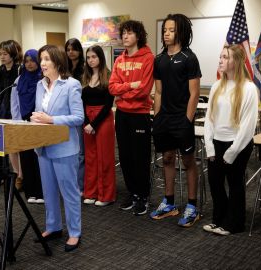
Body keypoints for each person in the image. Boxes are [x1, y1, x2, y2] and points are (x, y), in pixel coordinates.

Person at [149, 14, 202, 227]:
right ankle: (169, 203)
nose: (167, 34)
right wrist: (156, 117)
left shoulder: (189, 58)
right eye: (165, 30)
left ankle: (192, 206)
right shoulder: (160, 59)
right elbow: (159, 91)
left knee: (188, 161)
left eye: (171, 30)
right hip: (164, 119)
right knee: (168, 158)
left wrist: (187, 120)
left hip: (182, 119)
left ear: (181, 32)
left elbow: (194, 94)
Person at [31, 45, 84, 252]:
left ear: (57, 61)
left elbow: (78, 118)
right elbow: (39, 112)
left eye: (46, 59)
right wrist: (36, 119)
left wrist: (51, 119)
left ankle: (74, 232)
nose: (42, 63)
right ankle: (53, 227)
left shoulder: (71, 85)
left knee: (69, 192)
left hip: (64, 148)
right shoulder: (39, 85)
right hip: (43, 147)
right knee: (49, 191)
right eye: (41, 59)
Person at [202, 44, 258, 236]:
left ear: (237, 61)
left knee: (235, 184)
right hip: (217, 142)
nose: (221, 60)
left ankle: (234, 223)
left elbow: (248, 125)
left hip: (238, 144)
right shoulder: (217, 85)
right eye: (220, 57)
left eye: (225, 57)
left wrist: (232, 151)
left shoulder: (249, 88)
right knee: (215, 183)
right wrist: (210, 146)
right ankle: (219, 218)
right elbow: (209, 118)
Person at [109, 20, 154, 216]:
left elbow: (144, 90)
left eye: (129, 33)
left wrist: (123, 91)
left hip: (140, 115)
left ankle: (143, 196)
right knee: (125, 156)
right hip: (122, 115)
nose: (125, 36)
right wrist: (130, 86)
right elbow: (112, 87)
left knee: (140, 157)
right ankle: (132, 193)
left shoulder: (148, 58)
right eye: (123, 33)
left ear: (138, 35)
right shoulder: (119, 60)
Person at [81, 45, 116, 207]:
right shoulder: (84, 77)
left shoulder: (109, 76)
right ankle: (91, 192)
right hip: (87, 120)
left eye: (94, 57)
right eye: (88, 57)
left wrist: (94, 123)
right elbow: (81, 103)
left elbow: (108, 104)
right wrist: (87, 122)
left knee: (104, 158)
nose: (91, 60)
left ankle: (106, 195)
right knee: (91, 158)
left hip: (103, 119)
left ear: (100, 58)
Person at [10, 49, 44, 203]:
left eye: (33, 60)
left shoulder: (43, 79)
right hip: (23, 122)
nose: (29, 64)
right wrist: (17, 121)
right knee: (26, 157)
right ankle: (30, 191)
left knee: (38, 157)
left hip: (38, 121)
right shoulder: (19, 80)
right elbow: (14, 103)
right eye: (27, 61)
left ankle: (41, 192)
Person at [0, 40, 24, 189]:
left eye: (5, 54)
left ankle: (22, 176)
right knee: (10, 146)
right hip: (3, 110)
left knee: (19, 145)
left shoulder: (19, 69)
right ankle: (16, 174)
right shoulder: (1, 69)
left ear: (13, 54)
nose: (2, 57)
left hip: (17, 111)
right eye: (0, 54)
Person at [65, 38, 85, 193]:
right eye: (68, 49)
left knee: (79, 152)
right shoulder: (63, 68)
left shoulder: (84, 68)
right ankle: (69, 183)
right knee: (66, 151)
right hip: (64, 113)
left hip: (79, 112)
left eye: (74, 49)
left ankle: (79, 185)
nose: (71, 52)